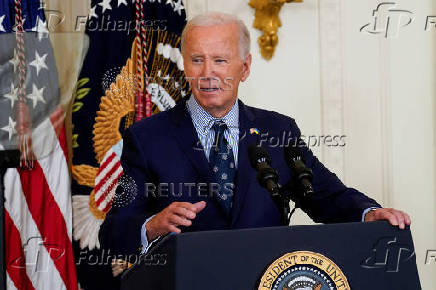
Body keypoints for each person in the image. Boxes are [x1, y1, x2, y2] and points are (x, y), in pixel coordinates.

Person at [99, 12, 411, 255]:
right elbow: (112, 232)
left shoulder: (278, 130)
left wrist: (369, 213)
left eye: (220, 61)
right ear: (185, 65)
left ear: (245, 68)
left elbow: (326, 195)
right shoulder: (147, 137)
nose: (208, 73)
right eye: (197, 60)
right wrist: (151, 226)